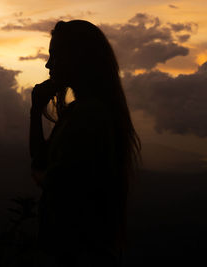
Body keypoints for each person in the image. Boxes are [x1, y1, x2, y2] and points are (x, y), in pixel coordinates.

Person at [29, 20, 141, 266]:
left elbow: (55, 182)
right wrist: (36, 109)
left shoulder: (88, 115)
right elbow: (41, 158)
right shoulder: (83, 111)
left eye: (55, 56)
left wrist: (39, 174)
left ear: (78, 60)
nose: (48, 64)